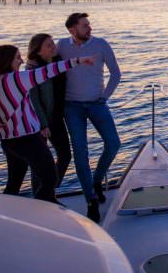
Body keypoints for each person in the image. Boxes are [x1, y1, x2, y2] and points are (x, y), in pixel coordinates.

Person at [0, 44, 93, 203]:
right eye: (17, 57)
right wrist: (78, 60)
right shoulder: (16, 79)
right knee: (50, 176)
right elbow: (48, 71)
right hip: (27, 138)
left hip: (8, 141)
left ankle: (5, 213)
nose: (21, 61)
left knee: (14, 182)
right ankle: (44, 207)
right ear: (7, 61)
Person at [57, 12, 121, 223]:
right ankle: (91, 200)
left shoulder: (101, 44)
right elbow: (51, 69)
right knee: (80, 153)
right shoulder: (62, 46)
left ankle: (96, 180)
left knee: (113, 144)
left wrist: (104, 97)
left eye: (89, 25)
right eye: (85, 26)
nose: (89, 28)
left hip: (97, 103)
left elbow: (115, 73)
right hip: (71, 107)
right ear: (72, 29)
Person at [26, 33, 71, 187]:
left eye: (53, 43)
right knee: (39, 162)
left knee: (65, 155)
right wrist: (43, 124)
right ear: (38, 51)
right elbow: (34, 99)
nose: (54, 47)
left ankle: (49, 190)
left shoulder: (58, 62)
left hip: (57, 118)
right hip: (40, 122)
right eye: (49, 45)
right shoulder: (33, 69)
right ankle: (40, 197)